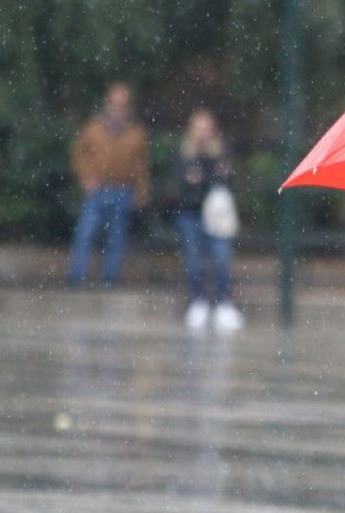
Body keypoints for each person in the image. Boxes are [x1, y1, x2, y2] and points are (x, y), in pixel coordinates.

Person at [67, 82, 150, 288]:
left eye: (123, 103)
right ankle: (75, 279)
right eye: (115, 102)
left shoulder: (135, 132)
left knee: (116, 238)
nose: (118, 107)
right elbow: (78, 154)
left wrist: (141, 190)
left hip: (123, 190)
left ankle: (109, 280)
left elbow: (141, 164)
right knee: (85, 234)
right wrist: (85, 177)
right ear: (107, 103)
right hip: (97, 190)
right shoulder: (93, 128)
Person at [169, 108, 242, 332]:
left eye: (206, 128)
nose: (202, 133)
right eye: (197, 128)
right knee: (193, 259)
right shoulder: (183, 156)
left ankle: (223, 303)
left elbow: (225, 182)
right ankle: (197, 301)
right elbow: (181, 189)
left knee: (221, 258)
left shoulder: (222, 153)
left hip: (217, 217)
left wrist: (203, 179)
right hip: (190, 216)